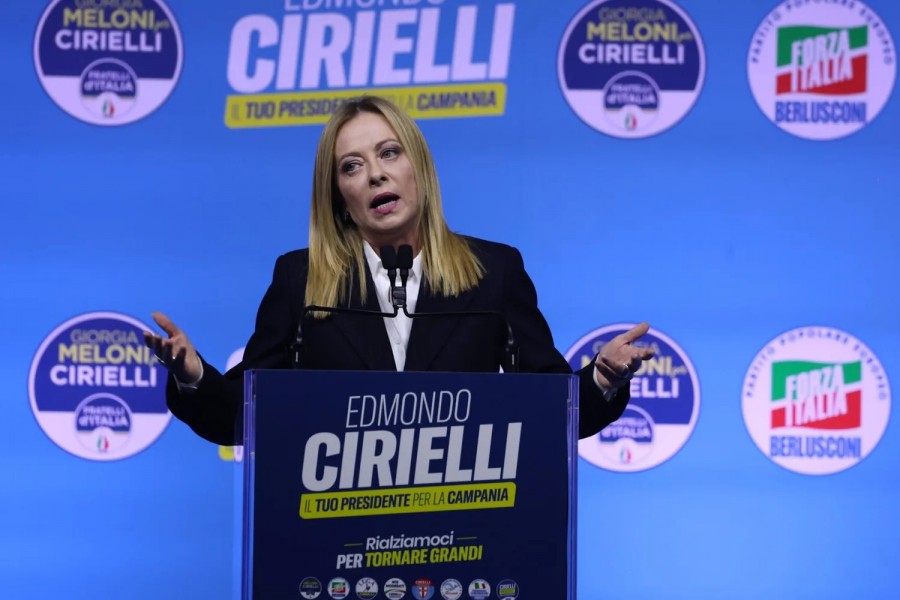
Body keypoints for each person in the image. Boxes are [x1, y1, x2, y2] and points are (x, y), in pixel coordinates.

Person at [144, 95, 653, 446]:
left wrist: (601, 378)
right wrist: (193, 377)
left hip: (463, 531)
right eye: (352, 165)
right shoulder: (301, 281)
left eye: (389, 153)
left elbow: (552, 408)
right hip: (338, 534)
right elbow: (242, 412)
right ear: (339, 197)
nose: (375, 174)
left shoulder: (493, 271)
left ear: (420, 169)